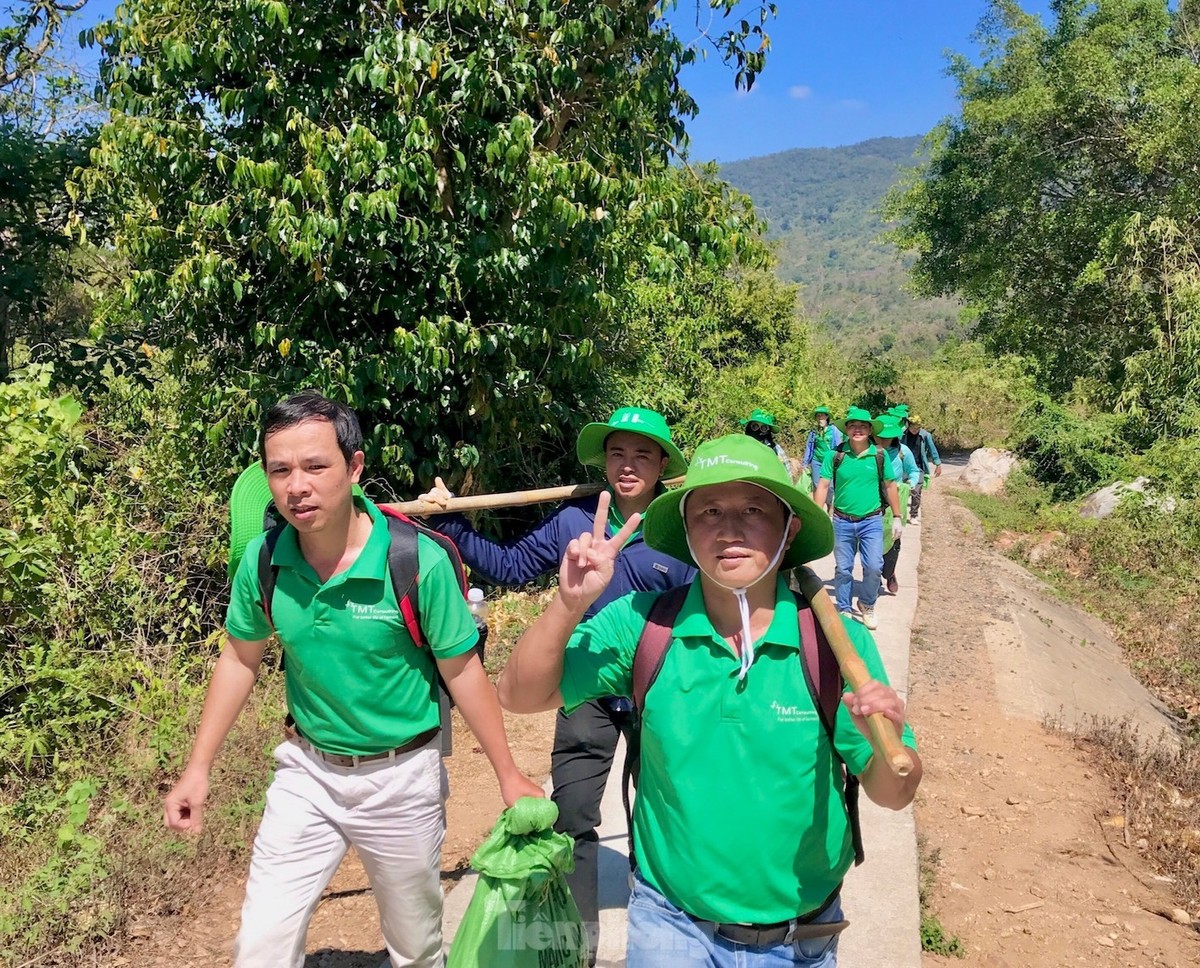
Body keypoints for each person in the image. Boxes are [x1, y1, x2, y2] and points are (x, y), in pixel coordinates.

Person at [496, 434, 922, 968]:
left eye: (753, 509)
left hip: (800, 937)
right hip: (670, 924)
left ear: (789, 530)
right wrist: (568, 602)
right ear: (687, 532)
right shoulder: (643, 624)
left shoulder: (834, 646)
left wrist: (881, 747)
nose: (729, 529)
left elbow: (894, 792)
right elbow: (518, 694)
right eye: (710, 511)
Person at [163, 391, 543, 968]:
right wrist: (198, 768)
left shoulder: (416, 562)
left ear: (354, 466)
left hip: (402, 779)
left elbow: (462, 671)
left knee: (415, 950)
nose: (298, 486)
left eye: (316, 466)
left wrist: (508, 774)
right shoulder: (264, 561)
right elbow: (240, 659)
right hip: (307, 772)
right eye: (280, 470)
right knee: (260, 945)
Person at [417, 406, 694, 966]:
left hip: (656, 689)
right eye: (617, 453)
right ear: (604, 460)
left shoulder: (680, 529)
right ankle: (578, 950)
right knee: (573, 818)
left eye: (642, 454)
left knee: (665, 812)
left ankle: (667, 934)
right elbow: (513, 566)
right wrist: (448, 524)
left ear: (663, 464)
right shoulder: (574, 522)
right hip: (585, 686)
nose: (628, 465)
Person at [812, 406, 902, 631]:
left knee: (873, 566)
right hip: (842, 521)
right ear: (847, 430)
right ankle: (843, 607)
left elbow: (890, 486)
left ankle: (867, 604)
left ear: (870, 430)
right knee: (843, 568)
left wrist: (898, 516)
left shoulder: (879, 455)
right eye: (853, 426)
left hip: (871, 521)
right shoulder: (836, 456)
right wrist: (816, 513)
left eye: (863, 426)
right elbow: (823, 485)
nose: (858, 430)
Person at [876, 416, 920, 596]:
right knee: (870, 541)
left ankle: (889, 572)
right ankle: (874, 574)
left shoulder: (903, 452)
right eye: (880, 437)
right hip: (873, 503)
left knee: (893, 541)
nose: (884, 441)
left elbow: (914, 471)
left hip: (894, 503)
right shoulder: (869, 452)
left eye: (887, 437)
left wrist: (910, 484)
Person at [901, 414, 942, 522]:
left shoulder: (925, 435)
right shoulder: (901, 434)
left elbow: (932, 449)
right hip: (903, 466)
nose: (916, 430)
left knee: (916, 491)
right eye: (913, 428)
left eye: (918, 428)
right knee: (902, 490)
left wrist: (938, 464)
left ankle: (913, 515)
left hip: (918, 467)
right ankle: (899, 513)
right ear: (908, 425)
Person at [802, 406, 843, 508]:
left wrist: (840, 460)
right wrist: (805, 463)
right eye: (818, 416)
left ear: (827, 417)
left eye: (822, 416)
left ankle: (829, 506)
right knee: (817, 484)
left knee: (830, 487)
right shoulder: (814, 432)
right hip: (817, 461)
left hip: (830, 461)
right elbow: (809, 447)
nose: (820, 418)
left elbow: (839, 445)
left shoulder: (833, 430)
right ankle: (818, 508)